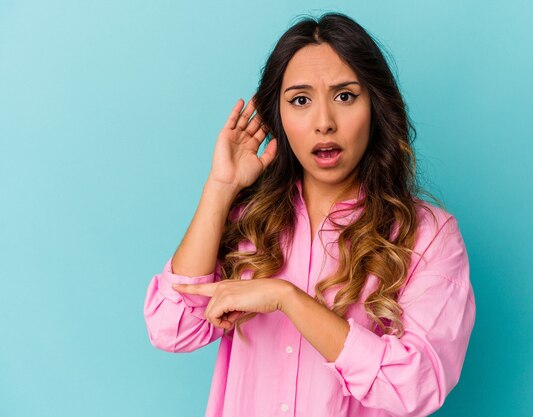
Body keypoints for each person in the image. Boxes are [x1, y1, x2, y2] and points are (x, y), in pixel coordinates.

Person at [143, 12, 476, 417]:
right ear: (278, 117)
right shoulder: (248, 222)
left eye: (345, 96)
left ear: (375, 106)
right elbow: (172, 328)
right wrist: (220, 188)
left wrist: (287, 298)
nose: (324, 123)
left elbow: (415, 387)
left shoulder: (428, 236)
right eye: (300, 100)